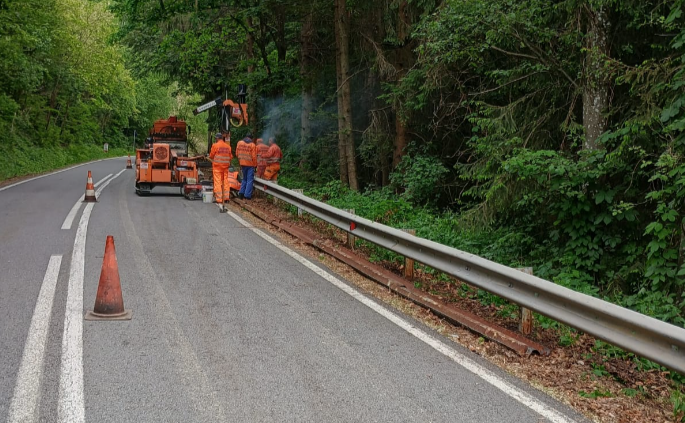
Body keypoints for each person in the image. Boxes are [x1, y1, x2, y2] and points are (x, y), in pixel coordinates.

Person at [208, 133, 233, 204]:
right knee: (225, 181)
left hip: (217, 167)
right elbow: (230, 157)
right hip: (225, 167)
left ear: (217, 138)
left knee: (218, 182)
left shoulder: (215, 145)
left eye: (216, 138)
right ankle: (226, 198)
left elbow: (211, 155)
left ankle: (219, 199)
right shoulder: (228, 146)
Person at [236, 133, 257, 199]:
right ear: (251, 138)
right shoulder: (252, 145)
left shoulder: (240, 143)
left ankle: (241, 193)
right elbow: (254, 156)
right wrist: (255, 165)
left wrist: (240, 160)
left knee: (244, 179)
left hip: (242, 163)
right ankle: (247, 195)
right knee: (249, 180)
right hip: (250, 165)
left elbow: (237, 154)